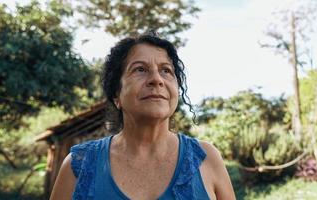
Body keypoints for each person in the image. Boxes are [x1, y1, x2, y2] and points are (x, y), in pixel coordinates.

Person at [50, 32, 236, 200]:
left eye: (166, 70)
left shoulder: (206, 158)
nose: (157, 79)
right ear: (117, 95)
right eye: (140, 69)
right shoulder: (78, 166)